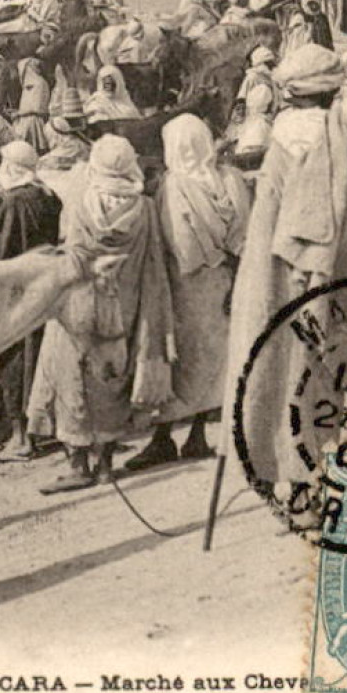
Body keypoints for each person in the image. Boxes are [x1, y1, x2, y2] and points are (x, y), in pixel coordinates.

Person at [219, 44, 347, 517]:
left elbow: (264, 232)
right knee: (345, 377)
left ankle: (300, 488)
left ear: (290, 94)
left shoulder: (283, 144)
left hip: (282, 290)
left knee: (288, 382)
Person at [33, 135, 174, 492]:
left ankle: (79, 463)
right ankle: (107, 463)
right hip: (123, 308)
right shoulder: (144, 208)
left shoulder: (81, 204)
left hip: (80, 304)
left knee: (72, 376)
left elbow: (72, 255)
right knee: (112, 379)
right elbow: (153, 262)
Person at [124, 114, 251, 471]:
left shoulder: (174, 186)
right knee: (214, 359)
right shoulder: (232, 179)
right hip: (224, 277)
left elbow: (174, 239)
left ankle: (162, 437)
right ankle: (197, 434)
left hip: (183, 280)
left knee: (175, 357)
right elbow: (245, 230)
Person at [0, 140, 65, 462]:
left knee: (15, 361)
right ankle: (46, 428)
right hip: (45, 286)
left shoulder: (16, 203)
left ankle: (21, 438)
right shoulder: (47, 195)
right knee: (43, 358)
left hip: (18, 292)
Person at [229, 45, 280, 162]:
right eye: (269, 63)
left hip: (266, 118)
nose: (271, 65)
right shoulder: (252, 77)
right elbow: (241, 98)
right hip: (253, 117)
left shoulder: (272, 79)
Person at [10, 58, 53, 152]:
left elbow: (38, 109)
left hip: (36, 119)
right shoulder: (27, 88)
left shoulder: (40, 84)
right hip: (25, 118)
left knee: (29, 124)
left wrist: (19, 114)